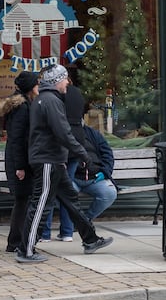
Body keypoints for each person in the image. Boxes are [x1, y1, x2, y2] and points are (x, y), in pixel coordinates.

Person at [17, 64, 113, 263]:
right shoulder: (50, 100)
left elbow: (60, 133)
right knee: (41, 203)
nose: (67, 82)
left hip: (54, 161)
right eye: (64, 78)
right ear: (56, 81)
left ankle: (90, 239)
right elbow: (63, 132)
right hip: (47, 161)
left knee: (71, 200)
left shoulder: (45, 99)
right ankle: (26, 250)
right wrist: (82, 153)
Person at [39, 74, 115, 241]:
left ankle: (47, 233)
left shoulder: (51, 98)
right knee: (67, 192)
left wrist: (104, 171)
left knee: (54, 191)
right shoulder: (74, 95)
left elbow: (106, 152)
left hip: (62, 151)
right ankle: (68, 232)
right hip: (73, 154)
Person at [0, 71, 38, 254]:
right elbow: (17, 139)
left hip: (17, 160)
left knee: (23, 201)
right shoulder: (22, 108)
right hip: (18, 161)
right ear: (30, 87)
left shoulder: (22, 105)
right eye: (37, 85)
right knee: (23, 201)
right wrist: (20, 166)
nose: (39, 88)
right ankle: (15, 241)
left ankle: (16, 240)